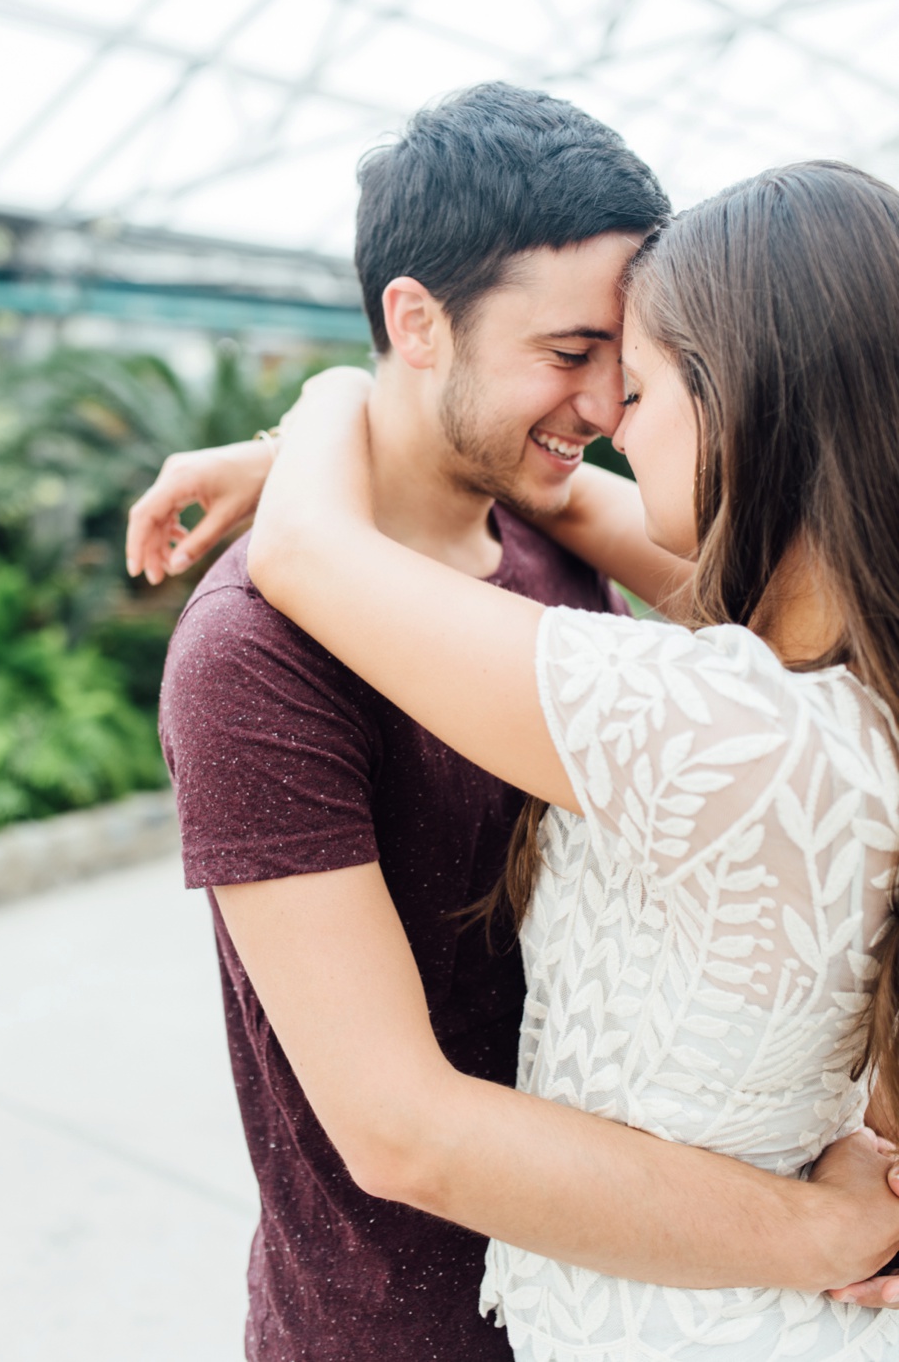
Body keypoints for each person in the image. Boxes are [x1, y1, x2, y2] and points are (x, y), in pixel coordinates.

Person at [126, 87, 899, 1362]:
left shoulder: (586, 591)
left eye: (633, 369)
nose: (602, 411)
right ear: (414, 322)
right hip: (397, 1327)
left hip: (687, 1304)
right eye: (569, 352)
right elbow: (395, 1126)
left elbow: (333, 543)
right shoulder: (251, 652)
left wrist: (322, 409)